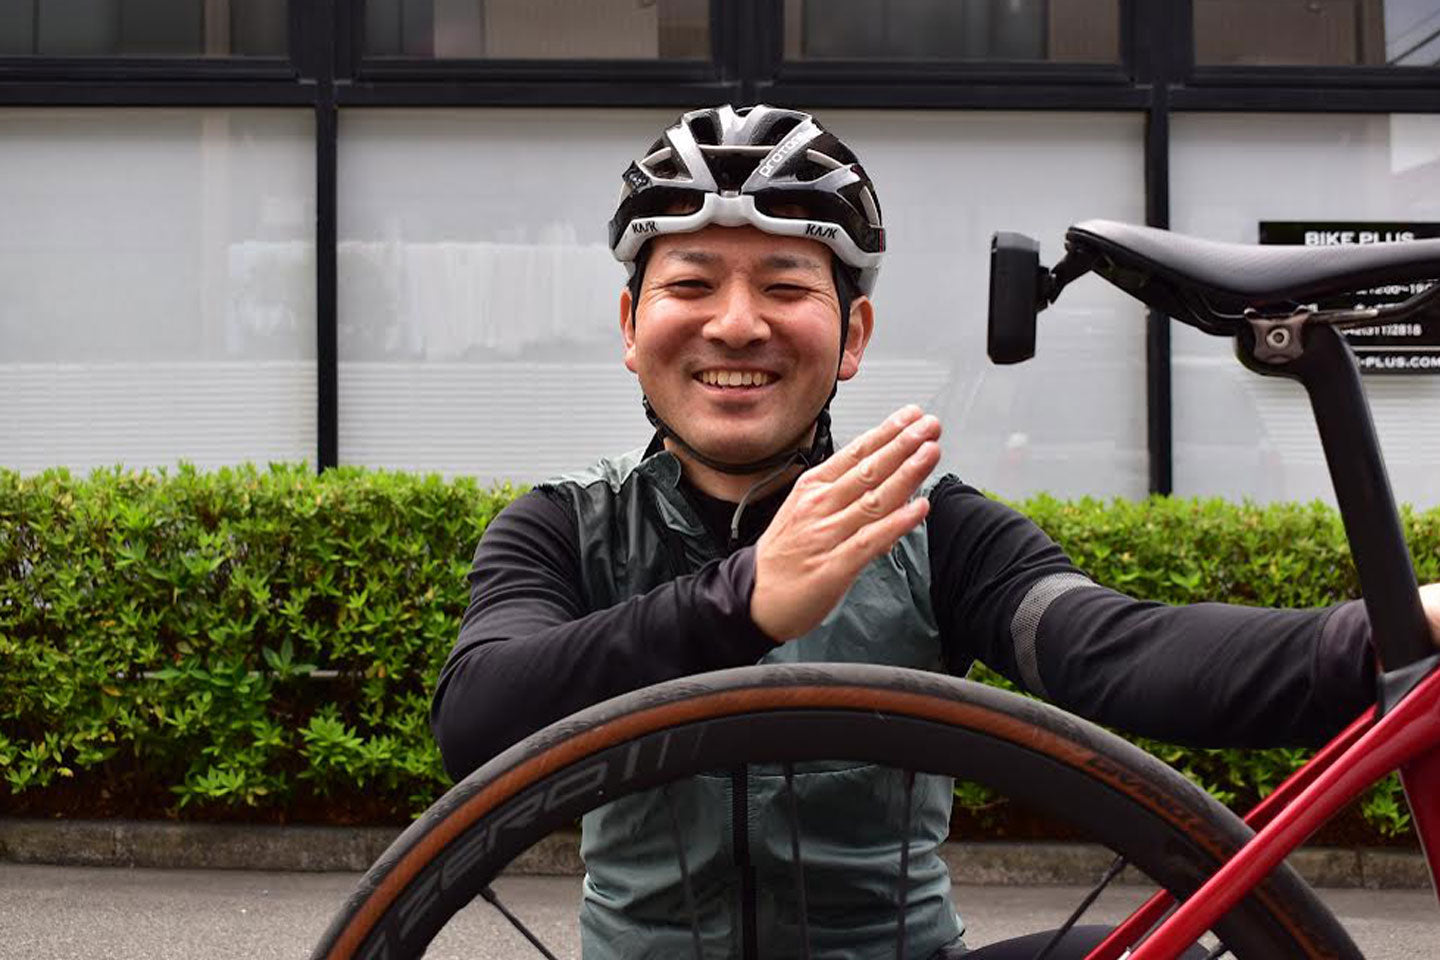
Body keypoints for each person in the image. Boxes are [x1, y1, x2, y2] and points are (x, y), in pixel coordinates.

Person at [431, 105, 1440, 959]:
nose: (736, 323)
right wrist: (739, 602)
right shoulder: (561, 526)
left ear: (854, 337)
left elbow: (1113, 650)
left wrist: (1394, 632)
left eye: (785, 286)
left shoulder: (930, 526)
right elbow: (479, 717)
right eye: (691, 284)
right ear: (630, 326)